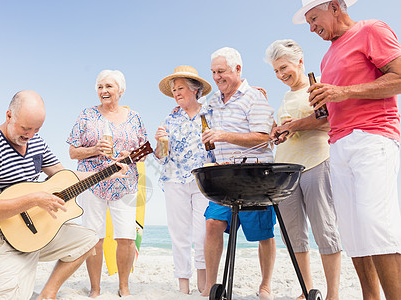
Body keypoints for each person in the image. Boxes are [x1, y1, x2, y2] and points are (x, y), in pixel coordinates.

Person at [0, 90, 128, 300]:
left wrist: (107, 173)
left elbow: (65, 177)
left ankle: (48, 294)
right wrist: (34, 199)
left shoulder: (36, 142)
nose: (30, 136)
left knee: (88, 239)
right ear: (9, 116)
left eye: (37, 129)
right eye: (26, 128)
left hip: (36, 229)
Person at [293, 0, 401, 299]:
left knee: (375, 224)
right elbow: (328, 114)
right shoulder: (327, 58)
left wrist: (342, 91)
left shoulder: (371, 30)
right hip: (338, 147)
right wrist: (292, 126)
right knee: (353, 233)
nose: (312, 28)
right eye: (309, 23)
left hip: (373, 137)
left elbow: (399, 77)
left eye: (314, 19)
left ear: (335, 7)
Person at [265, 39, 342, 300]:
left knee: (325, 231)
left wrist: (295, 125)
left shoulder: (317, 83)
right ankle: (306, 290)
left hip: (316, 163)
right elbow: (292, 127)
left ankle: (333, 295)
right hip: (285, 170)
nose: (280, 75)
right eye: (276, 71)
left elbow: (330, 120)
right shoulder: (286, 97)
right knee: (294, 235)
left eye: (283, 67)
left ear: (299, 61)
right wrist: (280, 132)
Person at [201, 47, 277, 300]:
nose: (217, 77)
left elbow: (264, 139)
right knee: (212, 223)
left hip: (254, 177)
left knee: (263, 233)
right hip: (223, 178)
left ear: (238, 69)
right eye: (213, 72)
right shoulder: (213, 102)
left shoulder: (255, 97)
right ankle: (211, 287)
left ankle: (265, 285)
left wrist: (223, 135)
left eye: (221, 71)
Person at [67, 69, 148, 298]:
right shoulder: (86, 116)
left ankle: (124, 286)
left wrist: (130, 154)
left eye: (109, 86)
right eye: (100, 87)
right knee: (94, 237)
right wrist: (94, 150)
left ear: (120, 91)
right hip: (92, 184)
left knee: (126, 236)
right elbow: (72, 152)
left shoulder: (135, 117)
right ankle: (95, 289)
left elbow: (145, 151)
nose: (104, 91)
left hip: (125, 183)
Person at [154, 65, 214, 294]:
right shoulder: (170, 118)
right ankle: (183, 284)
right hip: (174, 180)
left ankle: (203, 280)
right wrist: (160, 142)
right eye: (174, 90)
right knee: (179, 234)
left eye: (180, 88)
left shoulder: (210, 113)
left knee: (202, 234)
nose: (177, 93)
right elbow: (160, 156)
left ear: (195, 89)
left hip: (203, 180)